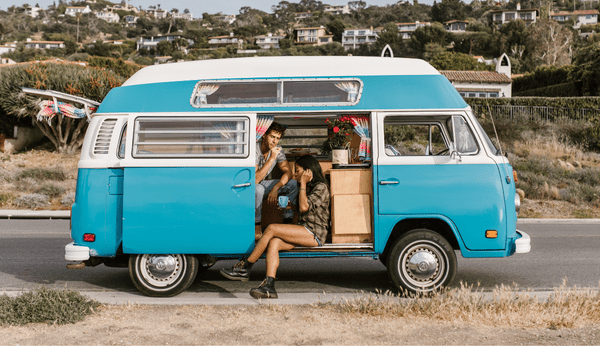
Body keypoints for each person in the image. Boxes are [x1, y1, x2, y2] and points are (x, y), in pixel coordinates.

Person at [220, 155, 330, 299]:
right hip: (303, 229)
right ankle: (269, 286)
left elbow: (304, 207)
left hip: (314, 233)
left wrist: (302, 184)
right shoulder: (307, 187)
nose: (295, 174)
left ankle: (244, 267)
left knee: (271, 228)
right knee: (274, 242)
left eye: (297, 170)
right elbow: (302, 207)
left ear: (308, 171)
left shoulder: (321, 187)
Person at [255, 122, 298, 225]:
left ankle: (288, 220)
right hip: (248, 186)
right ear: (264, 135)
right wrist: (272, 158)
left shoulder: (278, 149)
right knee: (258, 189)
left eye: (277, 138)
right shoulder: (254, 149)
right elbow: (255, 180)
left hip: (264, 184)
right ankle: (256, 224)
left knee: (293, 183)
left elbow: (288, 172)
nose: (274, 141)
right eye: (272, 137)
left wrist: (276, 188)